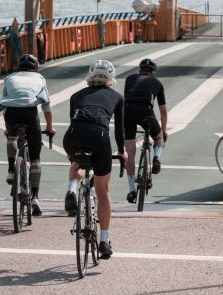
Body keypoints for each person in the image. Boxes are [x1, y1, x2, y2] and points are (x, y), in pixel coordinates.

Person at [63, 59, 127, 260]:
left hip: (73, 134)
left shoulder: (76, 95)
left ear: (90, 76)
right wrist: (122, 152)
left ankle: (71, 189)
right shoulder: (117, 97)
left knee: (76, 162)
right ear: (111, 78)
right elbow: (120, 130)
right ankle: (103, 241)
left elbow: (74, 119)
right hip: (99, 135)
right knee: (102, 189)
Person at [0, 53, 54, 216]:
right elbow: (46, 107)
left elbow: (6, 102)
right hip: (29, 114)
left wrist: (9, 129)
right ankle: (35, 196)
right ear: (35, 67)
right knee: (35, 158)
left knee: (11, 136)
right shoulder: (40, 79)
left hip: (12, 113)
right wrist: (50, 127)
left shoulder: (9, 78)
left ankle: (10, 169)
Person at [123, 57, 168, 203]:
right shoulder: (157, 83)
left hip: (128, 112)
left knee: (129, 154)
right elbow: (163, 112)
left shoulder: (129, 79)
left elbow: (126, 98)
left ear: (139, 70)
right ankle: (156, 157)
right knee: (158, 137)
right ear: (153, 73)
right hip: (146, 112)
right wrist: (163, 130)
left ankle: (131, 190)